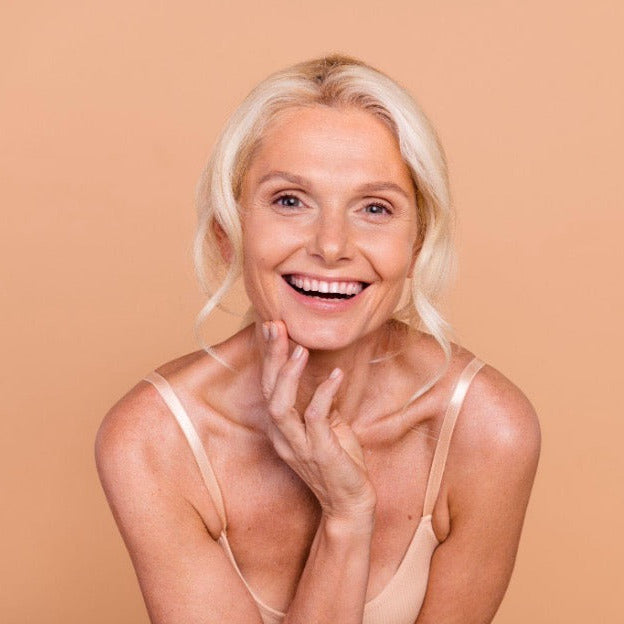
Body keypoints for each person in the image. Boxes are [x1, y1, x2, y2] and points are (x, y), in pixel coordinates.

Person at [96, 55, 540, 624]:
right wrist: (348, 517)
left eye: (375, 208)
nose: (331, 246)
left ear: (417, 244)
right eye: (289, 200)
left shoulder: (488, 430)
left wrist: (345, 510)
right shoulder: (153, 441)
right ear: (229, 232)